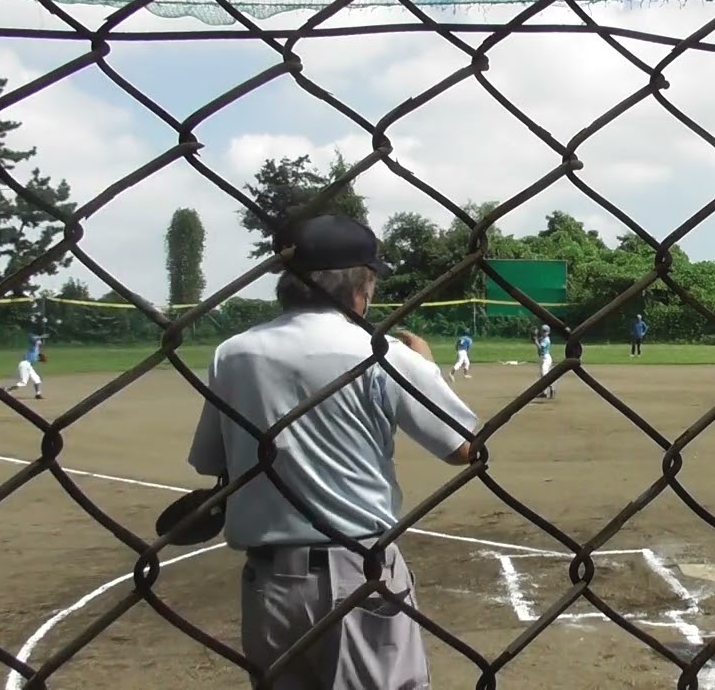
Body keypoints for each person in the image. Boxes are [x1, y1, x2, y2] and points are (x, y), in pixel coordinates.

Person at [185, 214, 480, 689]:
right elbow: (463, 448)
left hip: (269, 586)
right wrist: (426, 367)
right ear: (358, 287)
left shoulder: (233, 353)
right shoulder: (381, 352)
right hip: (360, 574)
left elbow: (211, 462)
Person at [5, 328, 48, 400]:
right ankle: (8, 389)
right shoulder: (33, 347)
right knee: (23, 382)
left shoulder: (37, 350)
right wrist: (40, 336)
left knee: (37, 379)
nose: (40, 343)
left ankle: (38, 394)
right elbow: (30, 336)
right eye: (39, 342)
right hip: (24, 364)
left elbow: (34, 359)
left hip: (28, 366)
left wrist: (40, 360)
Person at [534, 323, 555, 399]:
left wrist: (536, 341)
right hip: (542, 358)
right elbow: (539, 339)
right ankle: (544, 393)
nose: (544, 332)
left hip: (546, 359)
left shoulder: (546, 340)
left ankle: (552, 388)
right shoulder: (543, 338)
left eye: (545, 331)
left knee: (544, 375)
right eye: (543, 331)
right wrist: (536, 336)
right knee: (541, 376)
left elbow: (541, 348)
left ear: (548, 332)